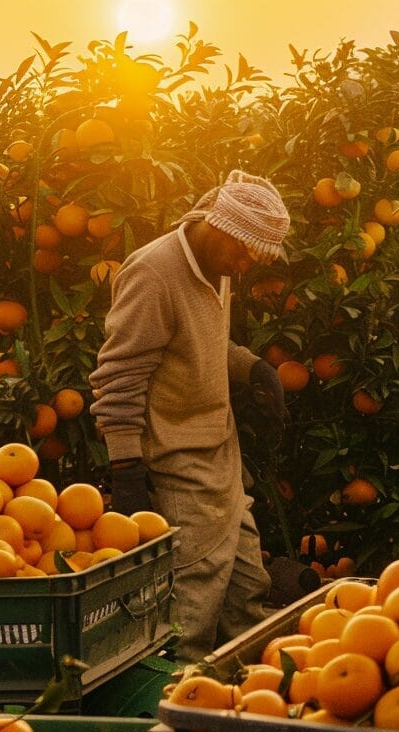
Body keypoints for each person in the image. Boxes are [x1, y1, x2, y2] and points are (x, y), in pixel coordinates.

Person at [89, 170, 290, 661]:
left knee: (248, 594)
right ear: (218, 226)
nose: (244, 266)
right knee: (190, 607)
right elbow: (120, 374)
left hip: (220, 457)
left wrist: (252, 368)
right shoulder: (153, 273)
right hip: (179, 465)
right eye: (242, 252)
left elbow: (197, 339)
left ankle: (254, 700)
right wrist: (126, 468)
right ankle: (174, 711)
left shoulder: (215, 268)